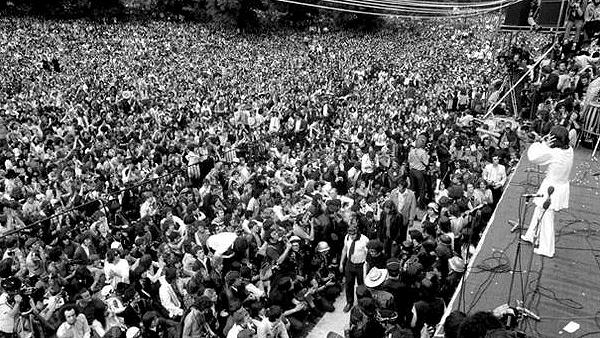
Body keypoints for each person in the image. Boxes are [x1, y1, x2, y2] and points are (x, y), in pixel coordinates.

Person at [521, 126, 574, 258]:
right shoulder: (570, 149)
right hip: (560, 185)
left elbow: (533, 157)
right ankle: (531, 235)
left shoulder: (554, 153)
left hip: (552, 187)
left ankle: (547, 249)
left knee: (546, 217)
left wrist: (543, 144)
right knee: (539, 210)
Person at [339, 224, 369, 313]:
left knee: (361, 285)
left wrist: (367, 267)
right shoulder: (347, 237)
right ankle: (349, 302)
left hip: (360, 265)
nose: (352, 237)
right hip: (350, 264)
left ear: (358, 232)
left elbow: (368, 254)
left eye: (353, 234)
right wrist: (341, 263)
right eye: (350, 234)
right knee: (348, 284)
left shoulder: (364, 240)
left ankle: (362, 303)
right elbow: (345, 249)